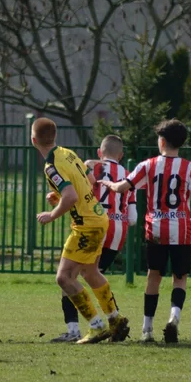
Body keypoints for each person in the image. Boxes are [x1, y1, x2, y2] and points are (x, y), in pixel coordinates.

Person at [99, 119, 191, 343]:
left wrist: (108, 184)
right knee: (180, 278)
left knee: (153, 277)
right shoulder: (189, 167)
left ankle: (147, 330)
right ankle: (173, 318)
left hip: (156, 229)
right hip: (182, 230)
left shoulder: (148, 165)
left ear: (162, 141)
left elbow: (122, 186)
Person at [31, 117, 130, 344]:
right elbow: (91, 179)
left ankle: (96, 326)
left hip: (85, 225)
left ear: (33, 140)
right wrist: (58, 195)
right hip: (99, 218)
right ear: (54, 137)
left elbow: (72, 196)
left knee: (64, 277)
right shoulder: (68, 153)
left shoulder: (51, 166)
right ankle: (115, 318)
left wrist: (52, 213)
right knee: (90, 273)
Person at [51, 134, 139, 343]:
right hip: (117, 232)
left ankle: (75, 329)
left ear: (100, 152)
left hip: (93, 225)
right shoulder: (127, 174)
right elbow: (133, 218)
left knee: (69, 278)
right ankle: (115, 319)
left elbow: (78, 194)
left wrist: (57, 200)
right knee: (93, 275)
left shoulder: (89, 166)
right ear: (121, 155)